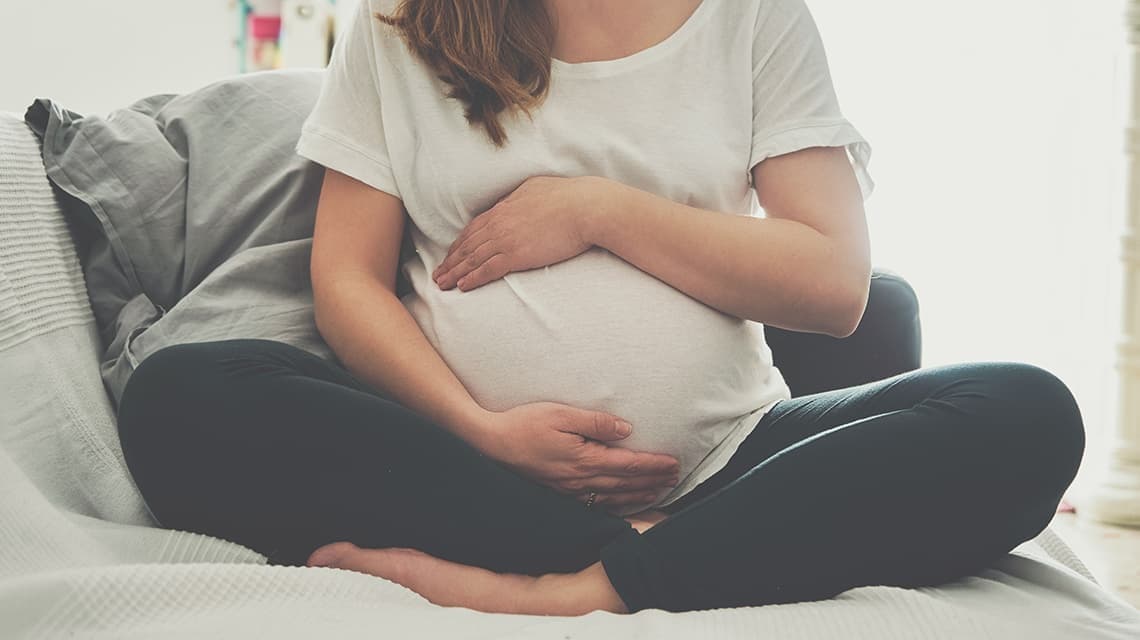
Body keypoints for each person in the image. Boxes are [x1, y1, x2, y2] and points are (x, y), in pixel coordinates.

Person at [114, 0, 1085, 615]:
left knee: (1029, 413)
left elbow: (835, 285)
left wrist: (598, 211)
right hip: (466, 467)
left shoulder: (755, 18)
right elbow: (348, 282)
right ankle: (727, 549)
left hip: (727, 458)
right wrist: (482, 430)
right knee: (181, 395)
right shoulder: (403, 23)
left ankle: (589, 583)